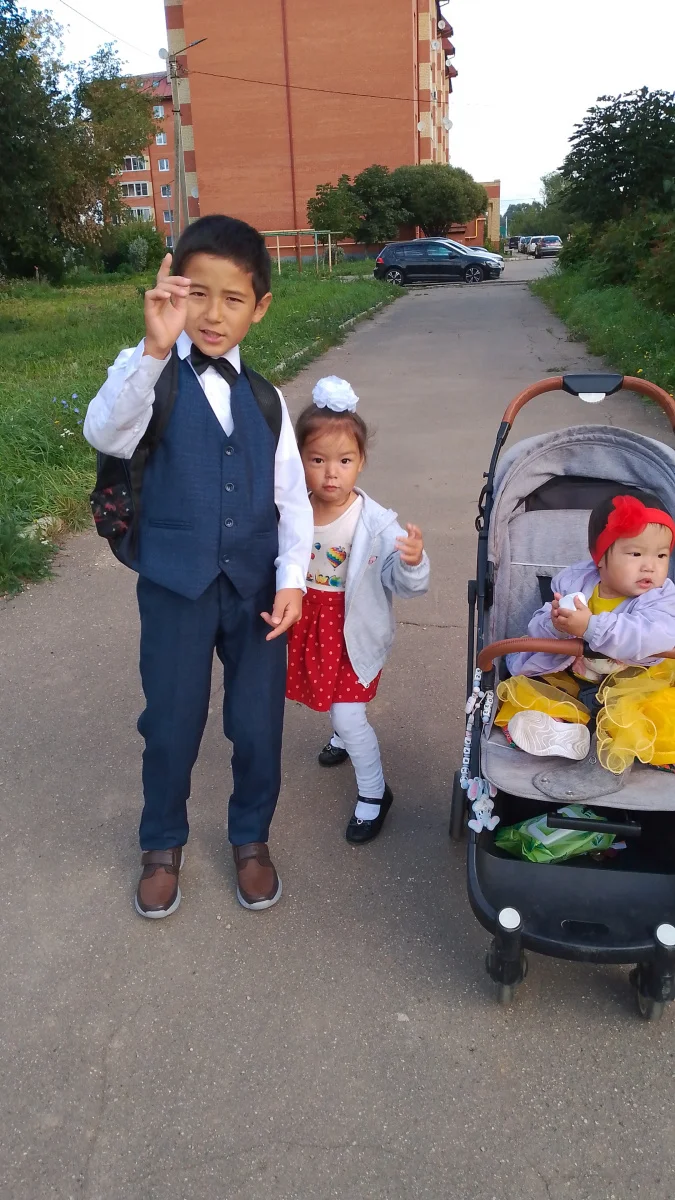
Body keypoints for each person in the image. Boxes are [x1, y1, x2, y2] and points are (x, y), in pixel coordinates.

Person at [84, 215, 313, 918]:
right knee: (170, 722)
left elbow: (291, 499)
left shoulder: (266, 400)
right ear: (172, 291)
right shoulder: (145, 372)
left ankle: (251, 838)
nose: (213, 315)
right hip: (175, 585)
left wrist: (293, 579)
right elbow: (105, 432)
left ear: (260, 306)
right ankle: (161, 843)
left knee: (257, 725)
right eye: (197, 294)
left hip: (256, 592)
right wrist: (155, 349)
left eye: (232, 298)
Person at [286, 376, 430, 842]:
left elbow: (408, 585)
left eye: (344, 461)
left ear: (361, 462)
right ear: (298, 460)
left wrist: (412, 562)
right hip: (308, 624)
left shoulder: (377, 524)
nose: (331, 474)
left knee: (350, 714)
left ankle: (374, 793)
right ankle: (341, 736)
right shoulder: (291, 510)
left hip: (353, 631)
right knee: (328, 697)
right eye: (318, 460)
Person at [496, 491, 675, 775]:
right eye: (636, 554)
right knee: (529, 693)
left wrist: (591, 628)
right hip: (572, 677)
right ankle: (563, 731)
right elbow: (537, 625)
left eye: (661, 555)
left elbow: (653, 635)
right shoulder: (575, 583)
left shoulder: (661, 598)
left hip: (634, 684)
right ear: (600, 557)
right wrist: (556, 624)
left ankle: (637, 741)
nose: (650, 566)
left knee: (657, 712)